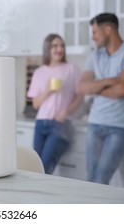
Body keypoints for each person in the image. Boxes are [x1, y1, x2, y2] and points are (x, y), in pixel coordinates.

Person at [79, 13, 124, 184]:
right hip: (95, 123)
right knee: (90, 179)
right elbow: (82, 87)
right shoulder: (95, 56)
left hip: (121, 127)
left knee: (100, 180)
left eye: (95, 32)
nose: (92, 37)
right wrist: (110, 81)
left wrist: (96, 87)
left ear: (108, 30)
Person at [27, 34, 83, 174]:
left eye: (61, 45)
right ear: (47, 49)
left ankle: (39, 195)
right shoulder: (39, 72)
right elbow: (35, 104)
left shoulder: (72, 69)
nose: (59, 49)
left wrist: (66, 112)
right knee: (34, 167)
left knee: (45, 169)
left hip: (60, 125)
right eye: (54, 46)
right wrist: (48, 90)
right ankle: (34, 196)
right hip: (40, 124)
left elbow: (80, 97)